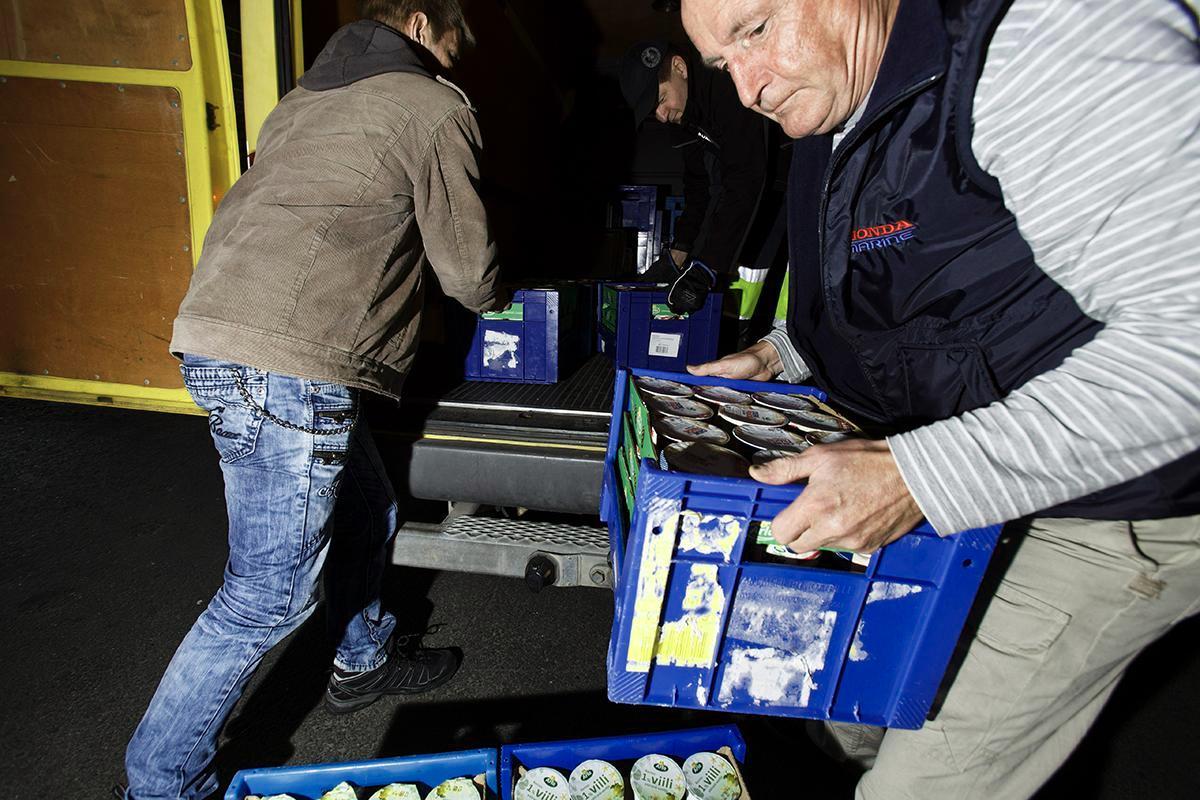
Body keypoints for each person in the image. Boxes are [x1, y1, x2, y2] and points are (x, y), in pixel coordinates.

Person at [681, 0, 1200, 797]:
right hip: (955, 464)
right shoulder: (838, 96)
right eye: (723, 66)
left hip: (1109, 499)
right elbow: (913, 288)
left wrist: (919, 477)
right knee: (853, 705)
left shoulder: (1045, 37)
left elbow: (1185, 352)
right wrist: (781, 351)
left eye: (754, 31)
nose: (747, 89)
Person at [122, 0, 508, 796]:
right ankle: (160, 783)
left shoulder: (302, 103)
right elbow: (469, 275)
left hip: (216, 332)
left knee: (370, 507)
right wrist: (512, 287)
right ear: (418, 21)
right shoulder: (432, 105)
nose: (452, 61)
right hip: (289, 361)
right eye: (450, 42)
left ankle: (361, 660)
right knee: (265, 598)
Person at [619, 39, 788, 334]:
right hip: (750, 195)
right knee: (736, 305)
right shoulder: (684, 116)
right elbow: (698, 187)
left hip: (786, 186)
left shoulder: (724, 80)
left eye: (660, 100)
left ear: (679, 67)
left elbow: (747, 175)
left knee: (766, 293)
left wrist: (708, 266)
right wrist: (680, 252)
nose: (661, 115)